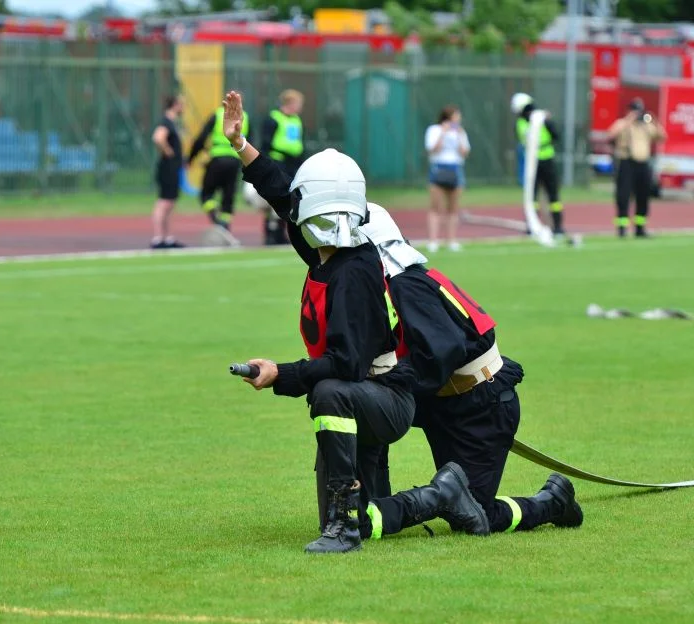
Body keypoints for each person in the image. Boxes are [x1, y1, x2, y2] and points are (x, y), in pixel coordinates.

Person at [221, 90, 487, 554]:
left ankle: (351, 524)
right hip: (364, 395)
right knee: (372, 517)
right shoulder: (328, 248)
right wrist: (240, 143)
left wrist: (280, 374)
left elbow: (344, 366)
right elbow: (284, 194)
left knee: (328, 393)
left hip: (383, 397)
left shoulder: (351, 272)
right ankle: (438, 495)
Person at [359, 204, 584, 540]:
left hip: (480, 405)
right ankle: (371, 501)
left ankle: (552, 502)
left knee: (476, 513)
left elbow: (444, 351)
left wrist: (393, 382)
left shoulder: (406, 285)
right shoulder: (400, 281)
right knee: (369, 407)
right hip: (448, 400)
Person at [186, 100, 251, 246]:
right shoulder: (245, 117)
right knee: (228, 197)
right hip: (235, 161)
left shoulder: (217, 114)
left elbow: (202, 138)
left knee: (206, 194)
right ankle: (225, 227)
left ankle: (215, 216)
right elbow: (249, 142)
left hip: (217, 159)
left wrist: (191, 158)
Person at [607, 98, 666, 238]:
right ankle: (622, 227)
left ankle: (640, 227)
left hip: (642, 164)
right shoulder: (622, 123)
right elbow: (611, 134)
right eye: (635, 111)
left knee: (643, 196)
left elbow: (663, 137)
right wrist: (629, 120)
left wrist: (654, 121)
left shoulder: (646, 126)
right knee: (623, 195)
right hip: (626, 162)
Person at [511, 92, 566, 238]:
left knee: (553, 195)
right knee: (532, 195)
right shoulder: (521, 123)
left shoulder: (542, 120)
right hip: (532, 161)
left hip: (547, 159)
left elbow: (556, 135)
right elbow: (525, 137)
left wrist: (545, 122)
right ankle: (532, 225)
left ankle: (558, 226)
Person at [259, 89, 306, 246]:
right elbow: (266, 144)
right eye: (298, 103)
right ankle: (271, 233)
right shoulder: (273, 119)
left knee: (288, 201)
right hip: (277, 163)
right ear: (290, 103)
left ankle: (280, 234)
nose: (300, 107)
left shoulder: (296, 120)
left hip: (292, 166)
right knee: (274, 199)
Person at [424, 105, 471, 253]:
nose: (458, 118)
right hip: (439, 168)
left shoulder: (460, 131)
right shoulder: (434, 130)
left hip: (455, 169)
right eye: (456, 115)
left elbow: (464, 152)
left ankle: (451, 240)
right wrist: (443, 133)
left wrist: (458, 136)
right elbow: (432, 149)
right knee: (435, 207)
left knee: (453, 207)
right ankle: (433, 241)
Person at [150, 95, 185, 249]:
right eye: (181, 104)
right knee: (164, 202)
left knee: (169, 202)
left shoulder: (172, 123)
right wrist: (168, 152)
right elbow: (158, 138)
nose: (183, 107)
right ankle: (158, 238)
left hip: (173, 167)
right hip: (168, 167)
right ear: (175, 105)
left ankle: (166, 237)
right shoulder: (166, 122)